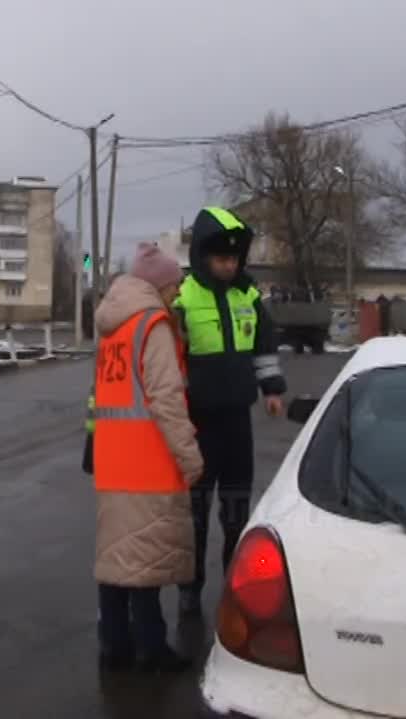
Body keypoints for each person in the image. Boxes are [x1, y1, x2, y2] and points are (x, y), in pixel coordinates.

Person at [90, 242, 204, 673]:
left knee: (118, 559)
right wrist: (190, 457)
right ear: (158, 285)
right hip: (149, 463)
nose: (176, 293)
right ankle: (152, 650)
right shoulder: (152, 326)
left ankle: (114, 644)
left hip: (114, 461)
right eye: (174, 285)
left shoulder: (113, 327)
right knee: (146, 566)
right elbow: (167, 400)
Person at [174, 206, 286, 619]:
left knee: (237, 509)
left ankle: (234, 584)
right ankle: (190, 587)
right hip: (198, 421)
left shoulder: (249, 297)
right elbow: (171, 356)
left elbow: (264, 347)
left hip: (238, 420)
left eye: (234, 258)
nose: (229, 265)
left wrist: (271, 389)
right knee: (196, 515)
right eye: (221, 258)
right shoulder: (183, 298)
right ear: (203, 256)